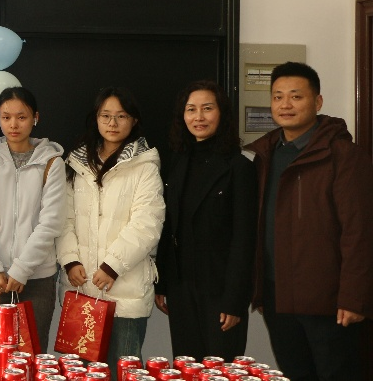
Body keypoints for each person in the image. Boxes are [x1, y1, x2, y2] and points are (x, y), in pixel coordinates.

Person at [248, 62, 373, 381]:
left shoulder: (344, 155)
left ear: (317, 102)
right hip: (278, 296)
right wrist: (261, 288)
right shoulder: (266, 155)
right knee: (294, 374)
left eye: (296, 96)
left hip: (329, 301)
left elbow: (359, 232)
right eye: (278, 97)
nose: (285, 104)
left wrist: (354, 297)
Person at [57, 87, 164, 381]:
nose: (112, 123)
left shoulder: (145, 166)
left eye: (121, 116)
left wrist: (112, 266)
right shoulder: (76, 163)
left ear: (134, 120)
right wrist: (70, 261)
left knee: (123, 373)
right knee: (81, 374)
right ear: (96, 119)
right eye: (105, 116)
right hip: (82, 289)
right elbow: (63, 219)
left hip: (125, 291)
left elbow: (147, 223)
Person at [155, 80, 256, 359]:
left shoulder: (239, 167)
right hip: (181, 287)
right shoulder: (178, 163)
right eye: (191, 109)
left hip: (220, 291)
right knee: (186, 367)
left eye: (207, 108)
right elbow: (168, 226)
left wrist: (235, 300)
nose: (198, 117)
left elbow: (244, 239)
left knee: (220, 369)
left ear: (222, 114)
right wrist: (162, 283)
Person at [0, 86, 66, 350]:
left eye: (21, 117)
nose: (13, 124)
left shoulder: (52, 163)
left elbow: (51, 222)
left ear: (35, 118)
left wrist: (22, 270)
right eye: (6, 117)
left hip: (37, 277)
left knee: (31, 354)